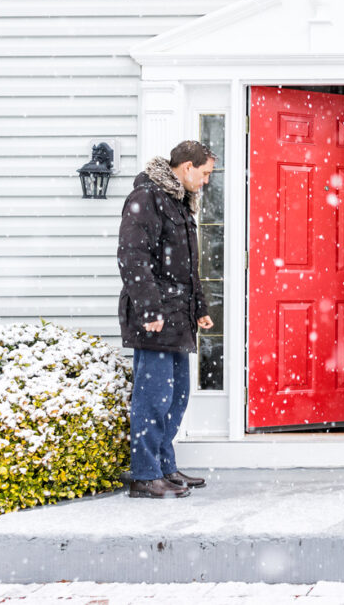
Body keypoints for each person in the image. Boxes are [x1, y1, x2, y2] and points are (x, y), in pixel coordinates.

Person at [117, 140, 215, 499]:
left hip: (177, 317)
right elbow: (133, 257)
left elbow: (188, 266)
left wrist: (200, 308)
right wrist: (149, 310)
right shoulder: (146, 198)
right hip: (155, 318)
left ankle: (163, 467)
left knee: (177, 396)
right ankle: (144, 475)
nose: (205, 181)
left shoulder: (177, 202)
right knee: (153, 397)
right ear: (187, 167)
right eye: (204, 173)